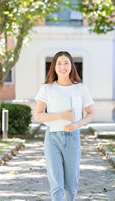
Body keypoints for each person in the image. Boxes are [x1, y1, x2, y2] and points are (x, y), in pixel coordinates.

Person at [34, 51, 94, 201]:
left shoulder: (81, 88)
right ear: (54, 67)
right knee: (56, 185)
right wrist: (61, 116)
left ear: (71, 66)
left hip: (72, 138)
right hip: (52, 138)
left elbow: (91, 114)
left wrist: (77, 124)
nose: (63, 67)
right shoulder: (47, 88)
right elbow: (38, 115)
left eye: (66, 63)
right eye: (59, 63)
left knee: (71, 185)